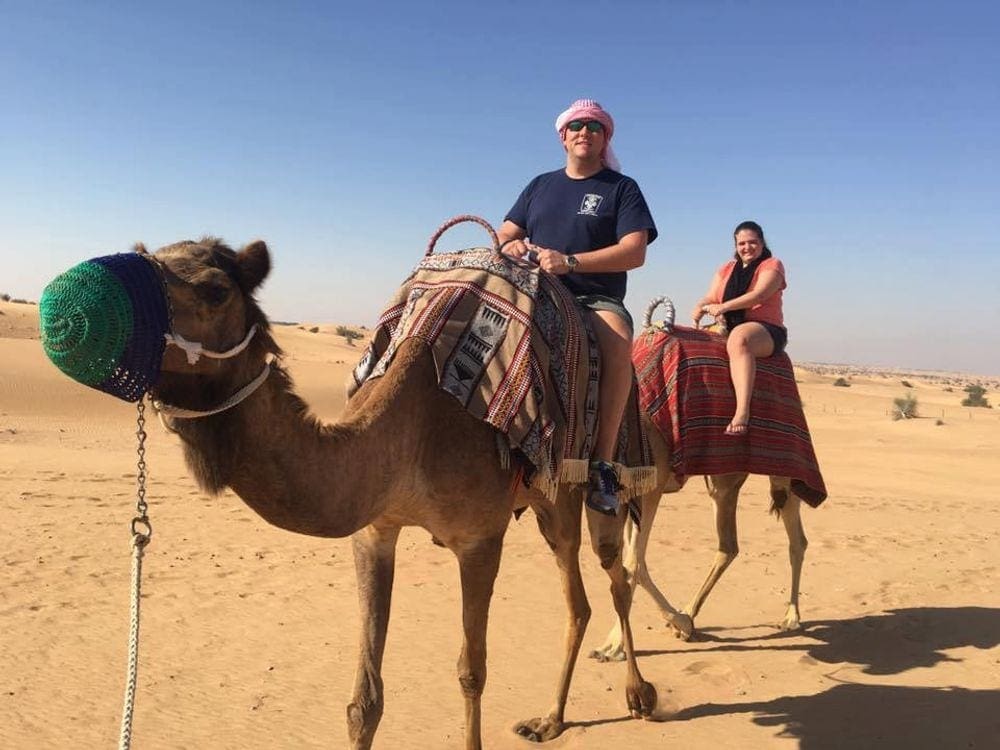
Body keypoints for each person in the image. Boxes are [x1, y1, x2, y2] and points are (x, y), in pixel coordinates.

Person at [498, 99, 658, 516]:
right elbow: (506, 230)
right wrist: (511, 243)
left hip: (595, 297)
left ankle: (603, 464)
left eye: (594, 127)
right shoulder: (539, 185)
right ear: (563, 136)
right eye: (576, 126)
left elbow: (634, 251)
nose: (584, 132)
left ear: (605, 138)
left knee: (619, 343)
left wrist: (570, 262)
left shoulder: (621, 189)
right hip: (535, 290)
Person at [692, 220, 788, 436]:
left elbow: (759, 295)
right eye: (741, 243)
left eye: (752, 242)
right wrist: (700, 306)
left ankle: (742, 412)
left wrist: (723, 307)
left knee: (739, 339)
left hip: (765, 330)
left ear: (762, 243)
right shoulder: (727, 269)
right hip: (726, 326)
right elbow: (712, 296)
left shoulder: (772, 265)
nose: (747, 247)